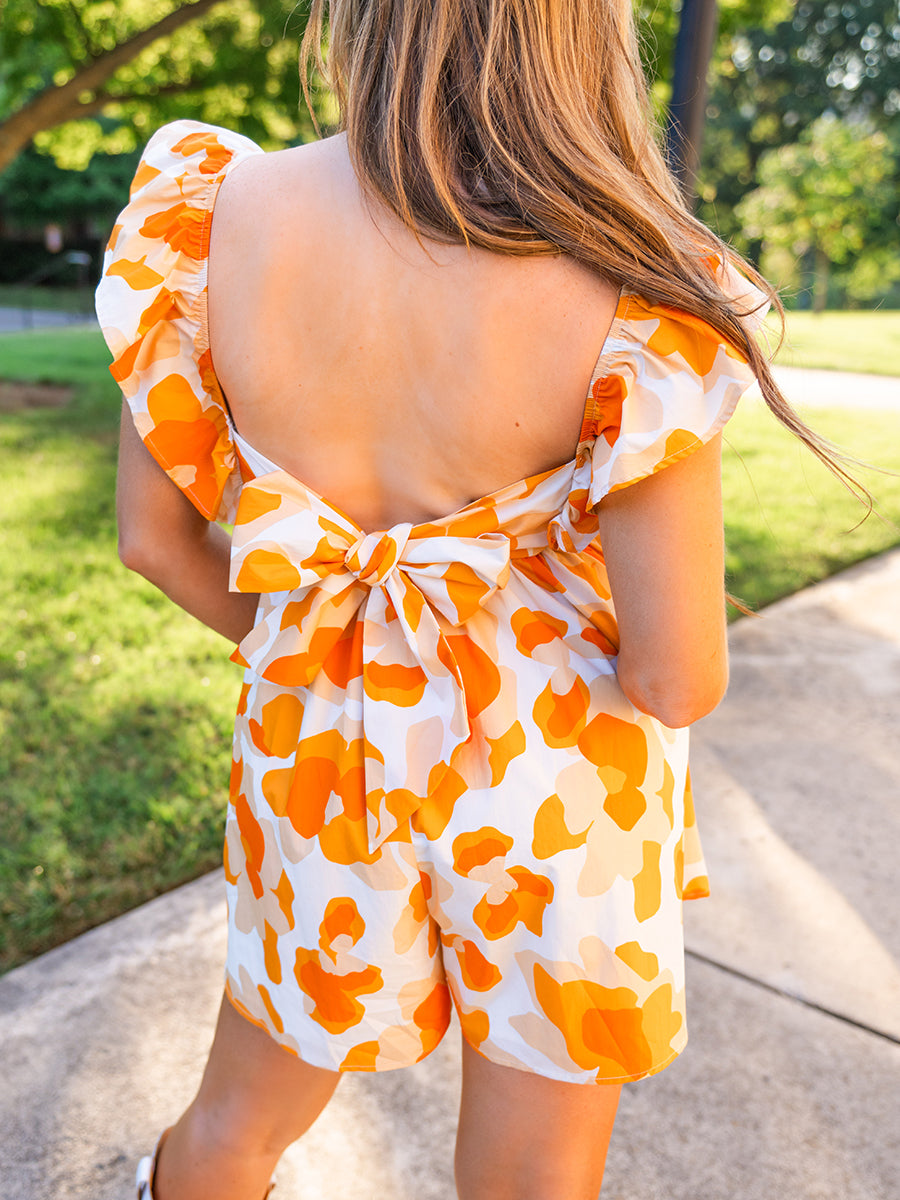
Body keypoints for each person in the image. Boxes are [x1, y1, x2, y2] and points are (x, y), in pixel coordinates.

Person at [95, 2, 851, 1197]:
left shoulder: (209, 213)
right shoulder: (636, 275)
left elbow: (155, 541)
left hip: (318, 750)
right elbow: (674, 675)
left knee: (242, 1114)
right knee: (531, 1170)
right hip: (554, 789)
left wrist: (322, 648)